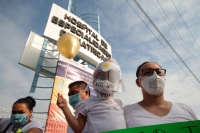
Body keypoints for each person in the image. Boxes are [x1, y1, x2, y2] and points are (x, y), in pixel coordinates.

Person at [57, 58, 126, 133]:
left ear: (118, 84)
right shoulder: (86, 104)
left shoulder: (119, 103)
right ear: (94, 81)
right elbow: (78, 129)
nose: (106, 81)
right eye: (102, 77)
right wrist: (64, 108)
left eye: (112, 78)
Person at [123, 61, 198, 128]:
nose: (155, 76)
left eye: (159, 72)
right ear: (138, 82)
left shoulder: (185, 109)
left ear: (164, 79)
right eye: (147, 72)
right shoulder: (126, 112)